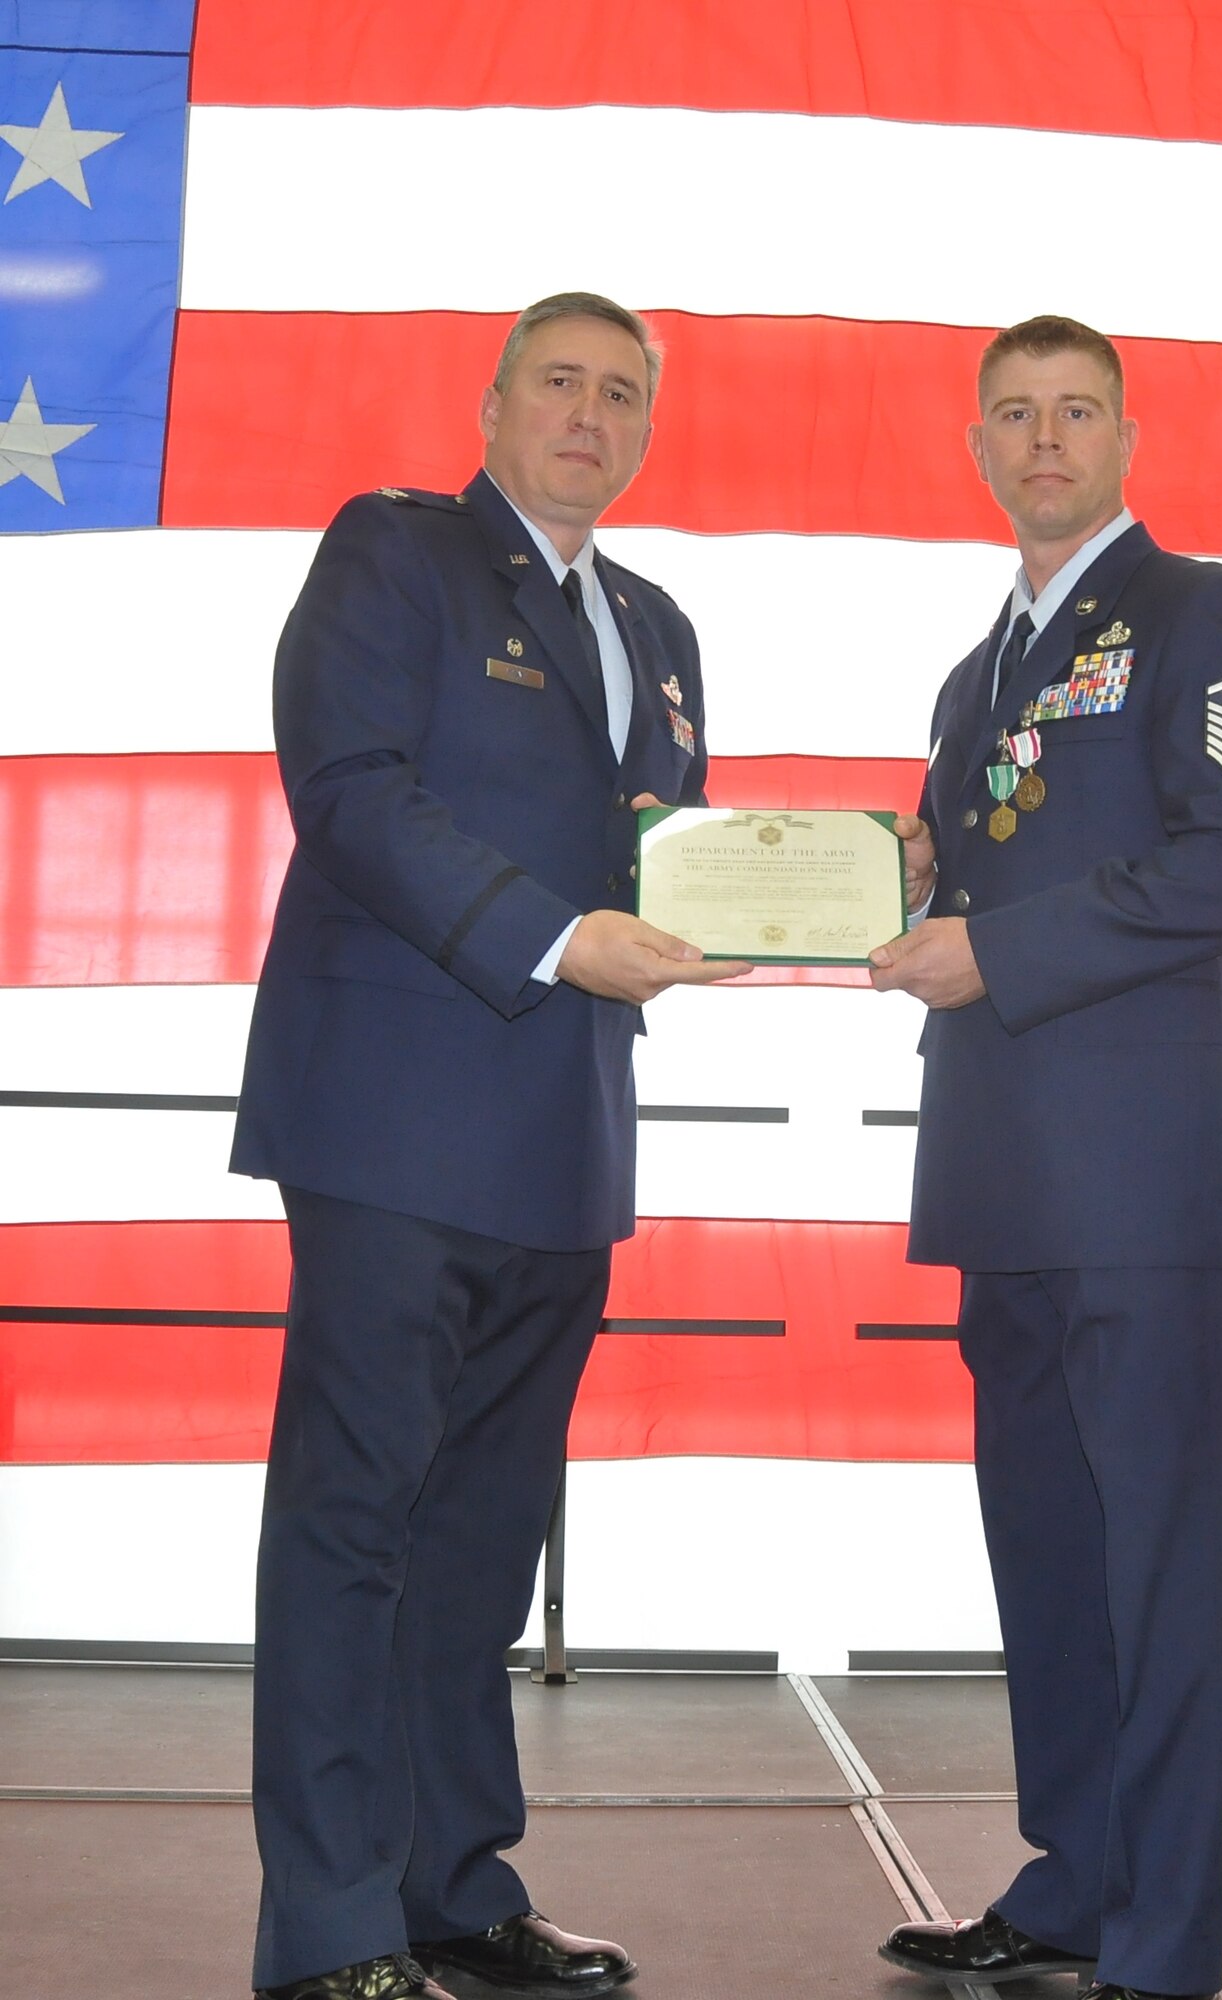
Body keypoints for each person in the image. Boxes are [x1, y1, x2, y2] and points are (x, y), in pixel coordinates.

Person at [230, 292, 747, 2000]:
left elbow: (663, 854)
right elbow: (354, 789)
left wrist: (826, 877)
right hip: (394, 1119)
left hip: (564, 1136)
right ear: (494, 402)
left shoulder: (659, 625)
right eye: (559, 384)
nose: (588, 416)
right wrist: (554, 935)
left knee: (481, 1540)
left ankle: (454, 1886)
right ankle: (326, 1930)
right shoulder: (394, 556)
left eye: (620, 393)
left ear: (647, 424)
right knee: (353, 1520)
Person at [869, 316, 1222, 2000]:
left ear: (1124, 434)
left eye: (1072, 414)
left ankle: (1162, 1943)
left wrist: (1000, 949)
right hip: (1002, 1171)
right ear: (977, 443)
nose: (1041, 441)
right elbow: (981, 893)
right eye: (1012, 416)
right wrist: (902, 886)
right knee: (1047, 1555)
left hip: (1139, 1178)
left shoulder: (1206, 614)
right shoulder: (975, 673)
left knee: (1162, 1568)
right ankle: (1070, 1883)